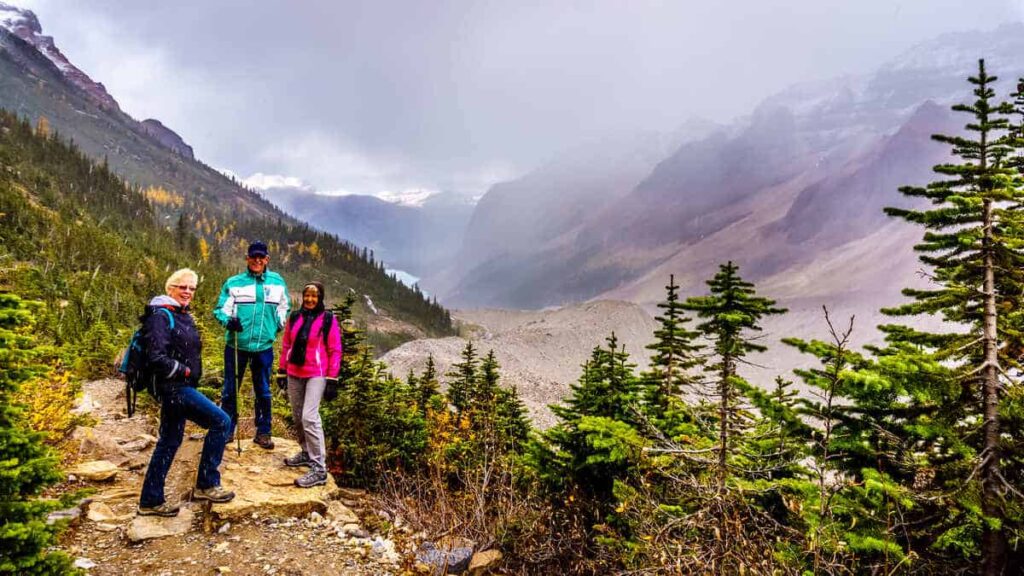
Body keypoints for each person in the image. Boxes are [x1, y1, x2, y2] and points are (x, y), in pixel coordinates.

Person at [138, 268, 234, 517]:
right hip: (174, 388)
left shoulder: (179, 314)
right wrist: (185, 371)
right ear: (170, 288)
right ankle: (207, 484)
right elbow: (155, 356)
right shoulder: (160, 315)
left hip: (181, 386)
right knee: (221, 422)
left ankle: (150, 500)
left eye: (192, 288)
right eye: (183, 287)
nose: (188, 292)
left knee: (169, 440)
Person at [214, 240, 289, 449]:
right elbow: (220, 309)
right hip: (236, 346)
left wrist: (277, 325)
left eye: (261, 257)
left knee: (263, 391)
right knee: (230, 390)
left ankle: (263, 432)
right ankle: (226, 430)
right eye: (253, 256)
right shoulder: (234, 282)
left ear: (267, 259)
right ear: (247, 258)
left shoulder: (277, 282)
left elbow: (285, 307)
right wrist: (228, 321)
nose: (257, 260)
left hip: (263, 347)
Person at [278, 282, 341, 488]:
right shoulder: (295, 317)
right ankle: (306, 452)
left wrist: (332, 379)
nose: (310, 299)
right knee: (297, 417)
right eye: (307, 295)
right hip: (294, 372)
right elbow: (287, 343)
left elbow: (334, 349)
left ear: (320, 297)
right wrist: (281, 369)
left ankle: (320, 468)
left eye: (315, 296)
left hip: (317, 373)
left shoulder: (328, 319)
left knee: (309, 417)